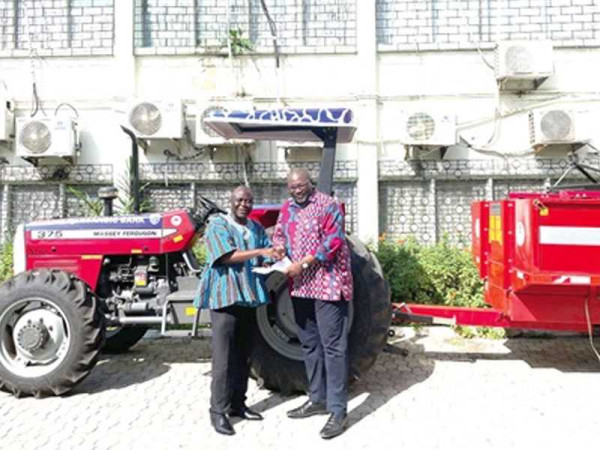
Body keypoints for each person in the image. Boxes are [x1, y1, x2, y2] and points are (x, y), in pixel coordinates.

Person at [272, 168, 353, 440]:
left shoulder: (327, 205)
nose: (297, 190)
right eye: (292, 187)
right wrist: (280, 248)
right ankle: (317, 398)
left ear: (311, 183)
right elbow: (280, 233)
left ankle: (338, 410)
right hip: (300, 286)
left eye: (301, 185)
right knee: (309, 343)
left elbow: (333, 241)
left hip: (327, 283)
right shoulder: (287, 207)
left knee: (333, 348)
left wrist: (303, 262)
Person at [194, 185, 280, 436]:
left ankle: (238, 404)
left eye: (249, 200)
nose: (245, 204)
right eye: (240, 200)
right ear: (230, 202)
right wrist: (261, 251)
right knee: (223, 359)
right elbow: (225, 256)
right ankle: (218, 411)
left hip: (249, 298)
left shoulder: (254, 227)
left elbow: (264, 251)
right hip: (226, 298)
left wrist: (271, 257)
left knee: (243, 355)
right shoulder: (218, 226)